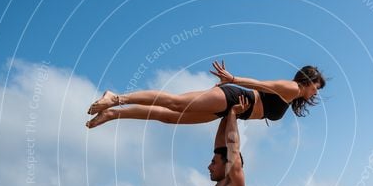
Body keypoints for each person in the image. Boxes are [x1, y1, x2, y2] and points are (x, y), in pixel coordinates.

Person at [86, 61, 325, 128]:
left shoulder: (293, 97)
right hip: (231, 97)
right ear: (308, 80)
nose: (316, 91)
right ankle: (116, 97)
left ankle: (114, 115)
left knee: (171, 117)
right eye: (317, 86)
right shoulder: (293, 88)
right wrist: (233, 79)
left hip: (230, 110)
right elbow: (261, 84)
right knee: (175, 102)